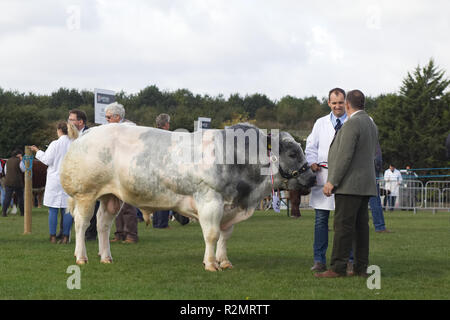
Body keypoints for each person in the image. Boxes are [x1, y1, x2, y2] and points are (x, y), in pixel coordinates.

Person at [317, 89, 378, 278]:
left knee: (343, 227)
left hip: (349, 185)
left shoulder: (352, 124)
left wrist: (332, 181)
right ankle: (361, 268)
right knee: (361, 229)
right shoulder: (370, 123)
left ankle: (337, 268)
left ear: (348, 105)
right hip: (365, 184)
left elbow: (345, 156)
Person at [305, 87, 348, 272]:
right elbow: (310, 147)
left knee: (345, 222)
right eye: (334, 103)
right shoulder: (320, 123)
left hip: (346, 178)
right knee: (321, 221)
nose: (337, 106)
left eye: (340, 102)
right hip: (322, 177)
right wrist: (312, 162)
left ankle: (348, 260)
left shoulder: (353, 121)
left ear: (346, 102)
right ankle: (319, 260)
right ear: (329, 103)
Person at [30, 122, 78, 243]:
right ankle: (66, 236)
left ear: (59, 130)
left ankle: (52, 236)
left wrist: (37, 151)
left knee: (53, 209)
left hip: (55, 179)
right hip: (70, 178)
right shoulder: (75, 144)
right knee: (67, 209)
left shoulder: (55, 144)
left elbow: (46, 160)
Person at [105, 102, 139, 243]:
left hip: (129, 169)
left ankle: (131, 234)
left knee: (128, 203)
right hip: (116, 169)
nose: (106, 120)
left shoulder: (130, 128)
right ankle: (119, 233)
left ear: (117, 117)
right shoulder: (114, 129)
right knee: (117, 202)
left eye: (108, 118)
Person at [68, 109, 98, 241]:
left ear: (80, 122)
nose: (68, 122)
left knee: (93, 203)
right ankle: (77, 231)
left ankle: (91, 233)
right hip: (76, 174)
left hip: (90, 173)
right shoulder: (69, 135)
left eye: (71, 119)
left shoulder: (90, 134)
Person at [152, 113, 172, 229]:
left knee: (156, 196)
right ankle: (163, 223)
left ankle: (156, 222)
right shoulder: (168, 135)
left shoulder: (153, 134)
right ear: (167, 124)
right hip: (165, 168)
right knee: (166, 196)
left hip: (154, 168)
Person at [369, 141, 391, 233]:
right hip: (371, 174)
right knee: (375, 201)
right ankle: (380, 226)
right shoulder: (372, 136)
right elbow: (378, 159)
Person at [2, 149, 25, 217]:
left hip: (8, 182)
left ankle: (4, 212)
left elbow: (5, 171)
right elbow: (23, 169)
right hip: (17, 182)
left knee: (7, 197)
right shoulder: (19, 161)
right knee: (20, 198)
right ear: (18, 155)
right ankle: (22, 212)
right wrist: (22, 160)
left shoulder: (8, 161)